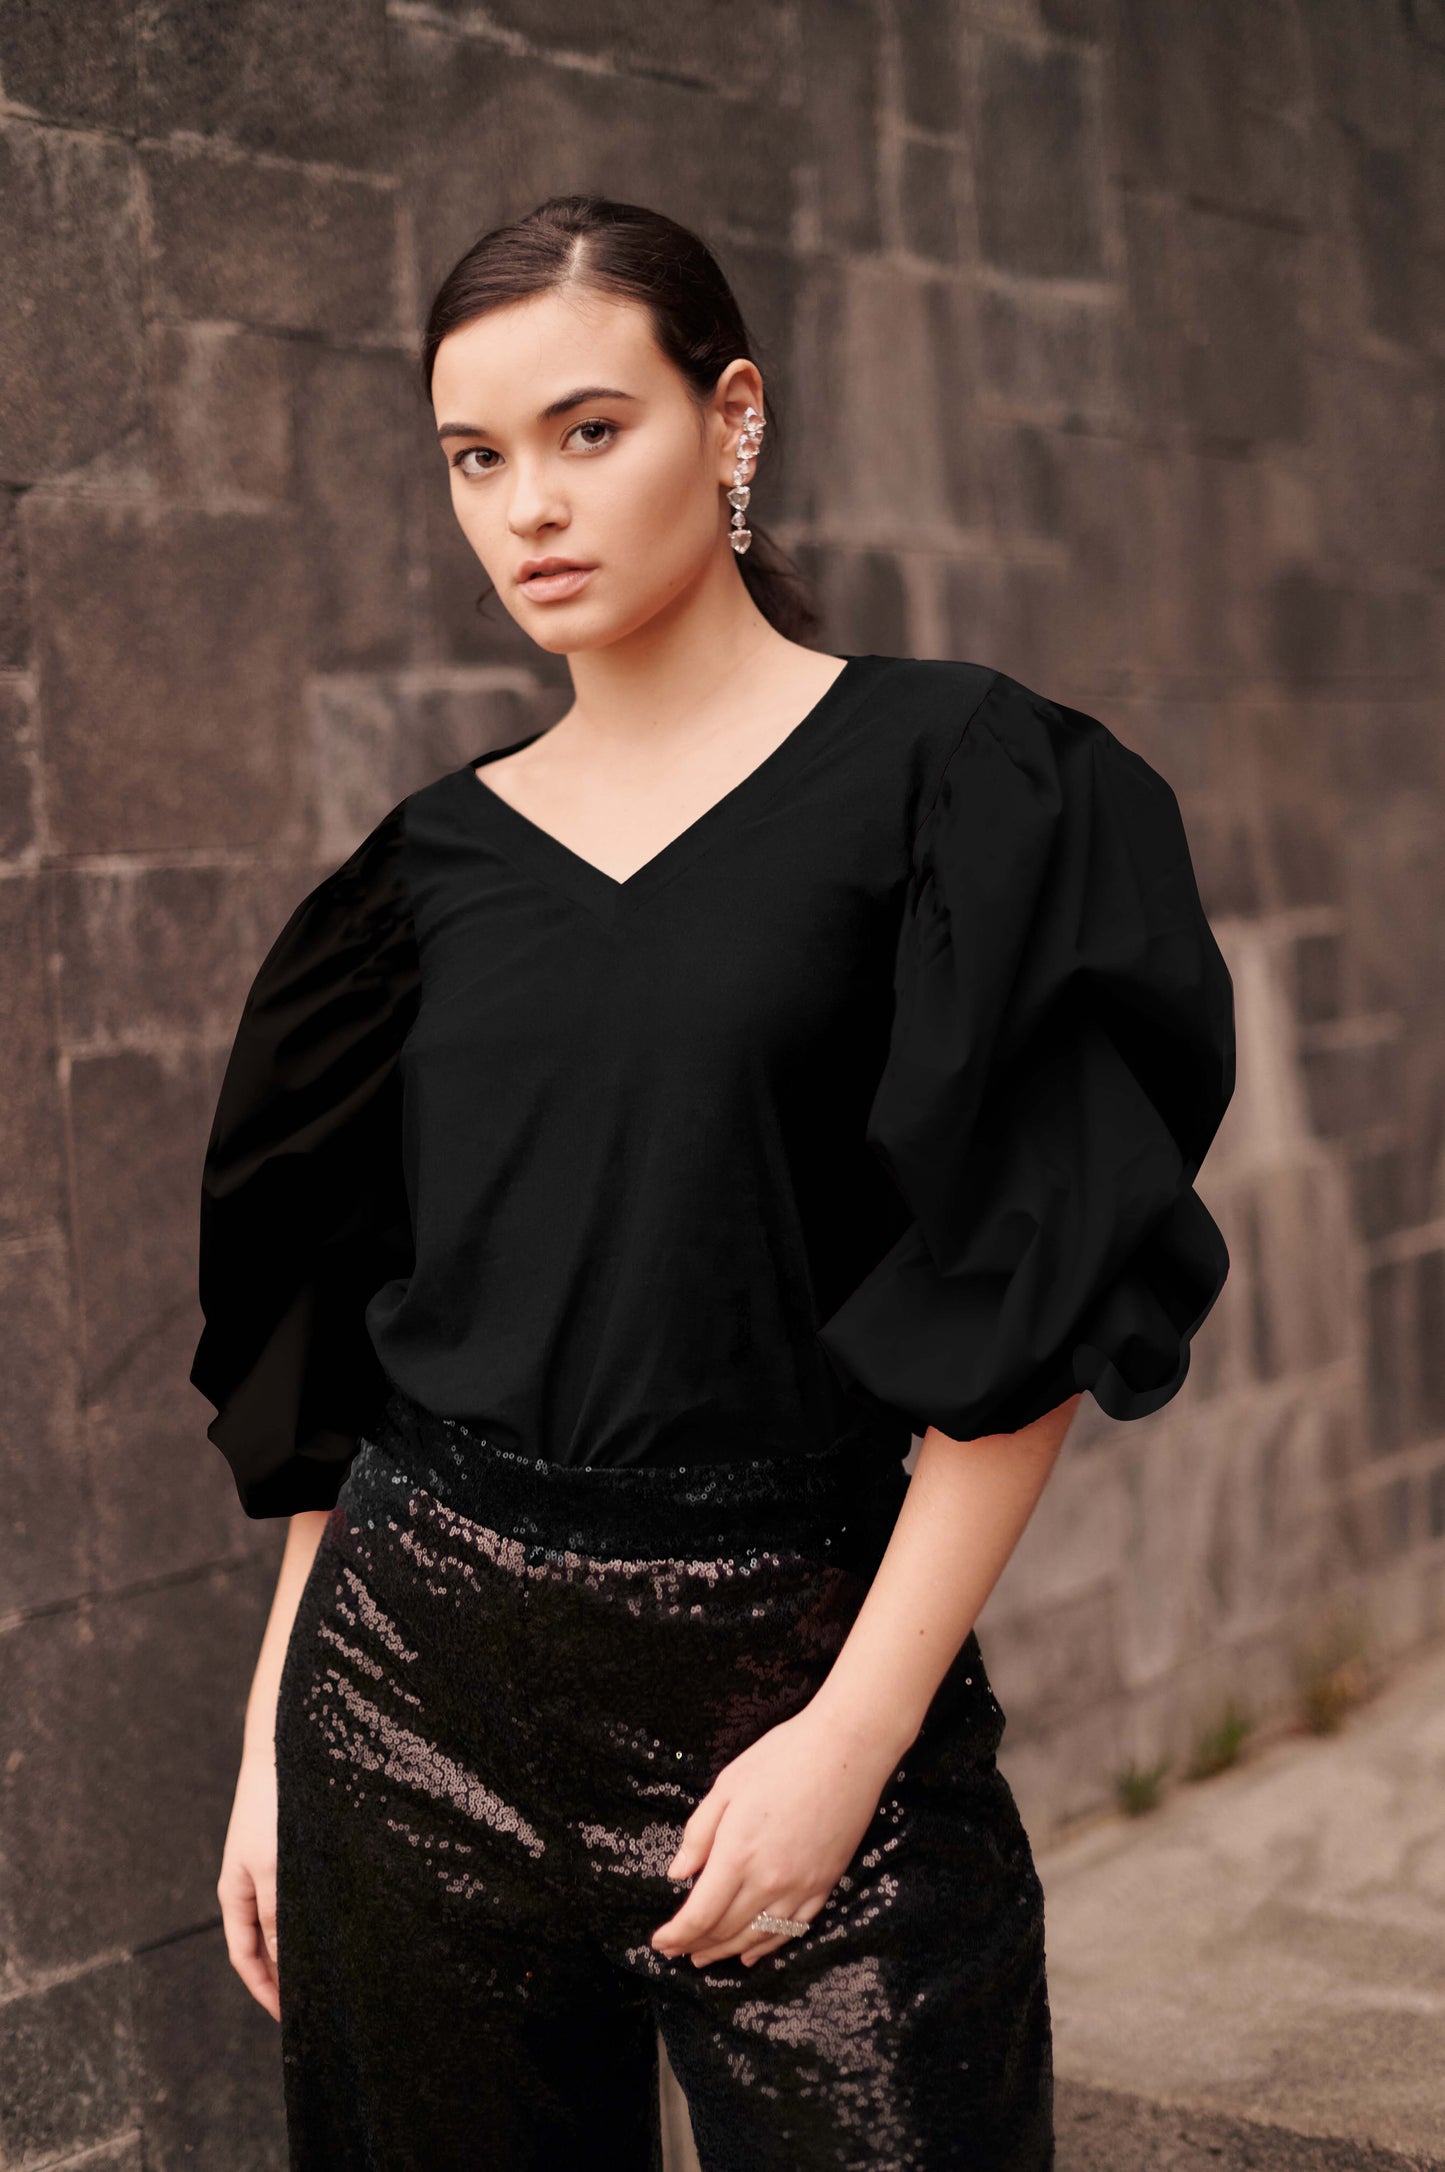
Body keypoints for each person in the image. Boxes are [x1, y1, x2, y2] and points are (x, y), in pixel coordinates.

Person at [191, 194, 1235, 2172]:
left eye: (591, 430)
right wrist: (274, 1745)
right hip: (409, 1702)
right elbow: (347, 1358)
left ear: (729, 416)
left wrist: (852, 1743)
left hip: (805, 1671)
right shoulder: (407, 890)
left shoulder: (963, 783)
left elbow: (1024, 1315)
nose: (529, 509)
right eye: (475, 459)